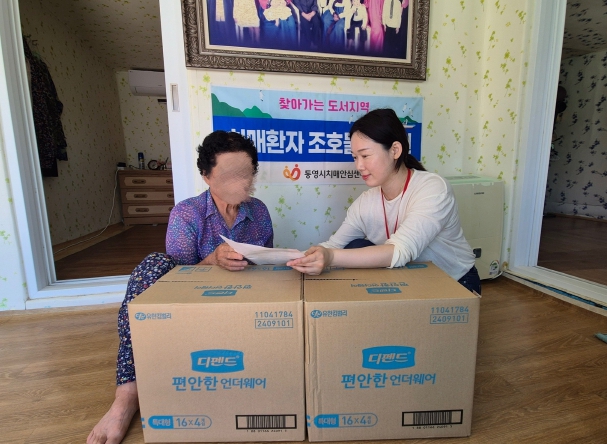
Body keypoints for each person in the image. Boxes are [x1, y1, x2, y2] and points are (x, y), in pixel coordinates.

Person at [87, 131, 273, 444]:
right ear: (207, 176)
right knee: (154, 264)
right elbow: (173, 284)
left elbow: (265, 269)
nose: (240, 183)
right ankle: (127, 396)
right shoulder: (187, 213)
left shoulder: (259, 212)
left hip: (244, 309)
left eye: (246, 173)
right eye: (228, 175)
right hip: (195, 310)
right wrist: (212, 260)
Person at [286, 108, 481, 294]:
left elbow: (399, 251)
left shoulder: (433, 188)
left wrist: (330, 257)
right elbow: (334, 245)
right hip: (412, 280)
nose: (359, 166)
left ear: (395, 150)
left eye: (365, 155)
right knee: (355, 246)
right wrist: (299, 258)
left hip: (453, 281)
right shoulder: (366, 202)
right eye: (355, 157)